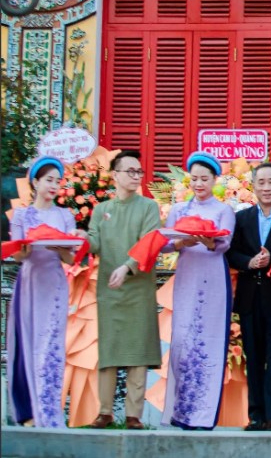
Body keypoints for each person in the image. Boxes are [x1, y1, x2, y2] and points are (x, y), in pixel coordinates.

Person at [158, 151, 236, 430]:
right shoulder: (179, 210)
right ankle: (180, 410)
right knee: (182, 341)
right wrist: (182, 243)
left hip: (214, 279)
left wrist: (207, 239)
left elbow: (224, 243)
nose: (199, 184)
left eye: (205, 179)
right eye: (194, 179)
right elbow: (166, 243)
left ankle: (203, 416)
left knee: (210, 343)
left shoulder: (224, 210)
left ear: (215, 180)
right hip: (188, 277)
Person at [85, 149, 162, 429]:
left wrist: (127, 266)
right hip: (109, 289)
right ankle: (104, 411)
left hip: (138, 288)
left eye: (139, 172)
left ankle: (133, 415)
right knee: (109, 350)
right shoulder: (101, 210)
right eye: (129, 171)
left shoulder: (148, 207)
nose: (136, 176)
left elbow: (150, 242)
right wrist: (79, 239)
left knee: (137, 351)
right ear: (114, 175)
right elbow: (94, 242)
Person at [6, 156, 80, 428]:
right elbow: (18, 256)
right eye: (48, 180)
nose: (53, 185)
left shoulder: (65, 215)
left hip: (55, 285)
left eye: (57, 181)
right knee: (28, 344)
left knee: (51, 347)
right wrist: (24, 248)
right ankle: (29, 413)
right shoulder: (23, 216)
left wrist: (60, 248)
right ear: (35, 182)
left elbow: (71, 259)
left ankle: (49, 412)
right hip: (30, 285)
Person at [227, 162, 271, 432]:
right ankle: (255, 415)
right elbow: (231, 253)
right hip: (250, 298)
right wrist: (249, 262)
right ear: (253, 186)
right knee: (253, 356)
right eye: (261, 182)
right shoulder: (242, 218)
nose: (266, 188)